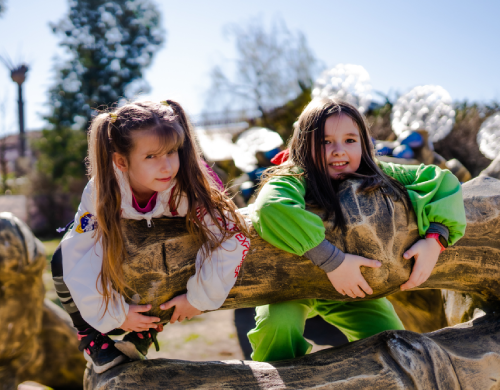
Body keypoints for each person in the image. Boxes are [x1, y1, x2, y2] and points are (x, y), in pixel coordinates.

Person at [247, 98, 466, 362]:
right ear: (304, 146)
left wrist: (436, 239)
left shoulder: (377, 171)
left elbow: (441, 181)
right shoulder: (293, 176)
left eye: (350, 140)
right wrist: (333, 261)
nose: (339, 150)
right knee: (277, 326)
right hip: (289, 285)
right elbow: (270, 208)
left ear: (364, 143)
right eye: (325, 142)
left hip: (354, 287)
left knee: (392, 342)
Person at [51, 100, 250, 373]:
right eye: (151, 157)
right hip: (121, 254)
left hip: (170, 258)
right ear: (121, 161)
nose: (167, 166)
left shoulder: (187, 187)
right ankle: (91, 339)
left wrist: (198, 298)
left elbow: (232, 236)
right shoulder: (102, 191)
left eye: (171, 152)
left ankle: (147, 329)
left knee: (178, 244)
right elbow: (79, 253)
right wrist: (117, 314)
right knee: (60, 259)